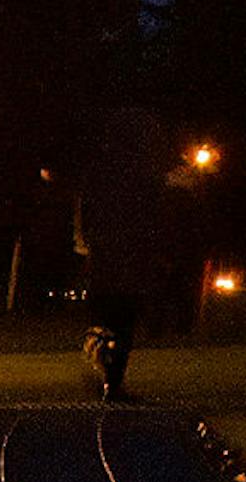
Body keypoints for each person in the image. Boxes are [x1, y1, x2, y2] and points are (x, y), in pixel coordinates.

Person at [74, 108, 181, 401]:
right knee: (123, 322)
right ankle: (112, 379)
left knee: (108, 318)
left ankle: (105, 369)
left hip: (107, 255)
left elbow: (86, 209)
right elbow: (156, 215)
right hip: (129, 257)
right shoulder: (144, 175)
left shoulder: (100, 171)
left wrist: (85, 241)